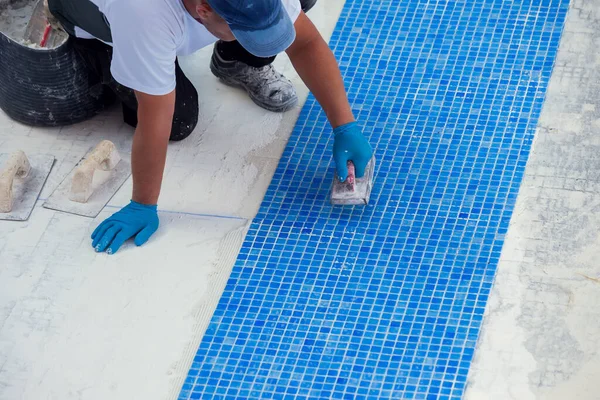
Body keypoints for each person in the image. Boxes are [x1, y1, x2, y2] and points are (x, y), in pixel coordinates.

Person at [47, 0, 373, 254]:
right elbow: (155, 118)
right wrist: (142, 204)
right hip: (94, 14)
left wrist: (344, 125)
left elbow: (305, 43)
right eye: (242, 33)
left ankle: (234, 62)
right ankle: (109, 51)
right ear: (202, 11)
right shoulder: (144, 16)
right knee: (177, 119)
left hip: (182, 20)